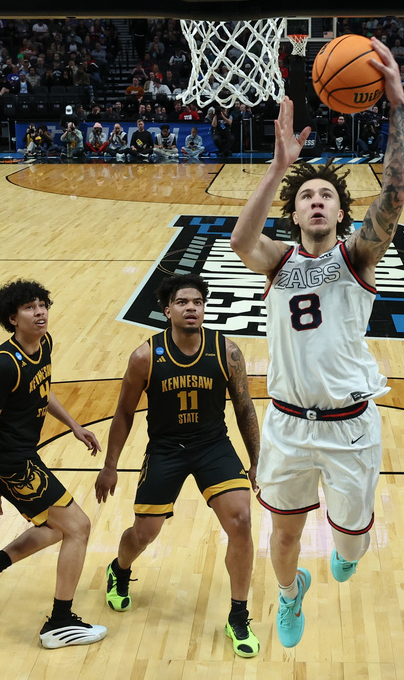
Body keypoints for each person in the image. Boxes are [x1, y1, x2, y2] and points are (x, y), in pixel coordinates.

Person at [229, 37, 404, 649]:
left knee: (351, 541)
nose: (315, 200)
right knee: (281, 535)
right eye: (306, 195)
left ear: (339, 211)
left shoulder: (358, 257)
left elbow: (395, 197)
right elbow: (237, 242)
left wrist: (398, 112)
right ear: (295, 211)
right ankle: (287, 595)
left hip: (350, 425)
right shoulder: (276, 261)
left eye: (326, 194)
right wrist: (280, 166)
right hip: (286, 425)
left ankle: (349, 551)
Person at [94, 274, 261, 658]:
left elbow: (244, 408)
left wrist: (256, 460)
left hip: (212, 446)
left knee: (241, 521)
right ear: (167, 310)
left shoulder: (227, 352)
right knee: (143, 535)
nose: (191, 307)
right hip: (166, 450)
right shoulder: (145, 356)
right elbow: (123, 413)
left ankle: (238, 615)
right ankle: (119, 570)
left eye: (198, 302)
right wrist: (110, 465)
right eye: (183, 301)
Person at [0, 279, 108, 649]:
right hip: (12, 463)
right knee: (78, 527)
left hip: (25, 455)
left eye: (42, 305)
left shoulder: (44, 343)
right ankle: (59, 621)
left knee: (55, 529)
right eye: (29, 308)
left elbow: (43, 388)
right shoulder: (2, 367)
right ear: (12, 318)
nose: (40, 312)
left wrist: (73, 424)